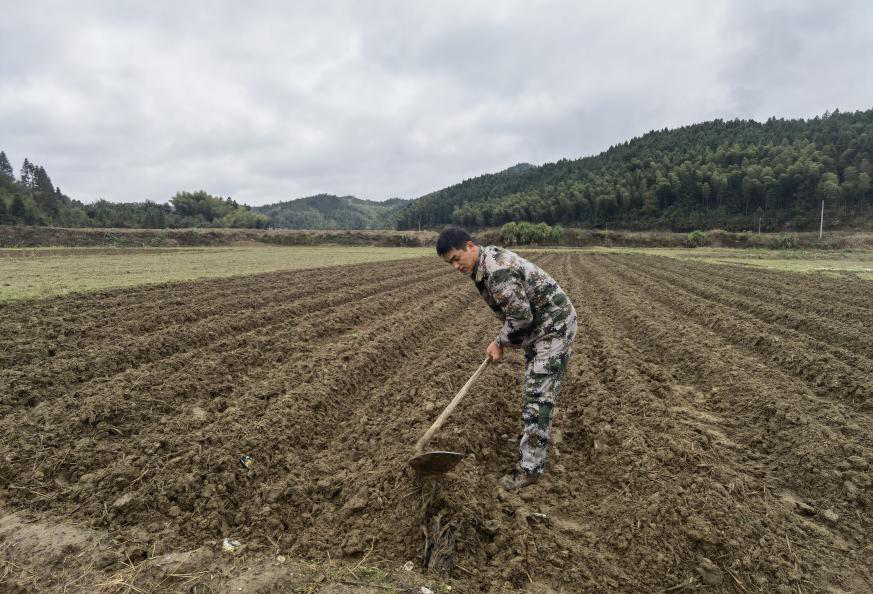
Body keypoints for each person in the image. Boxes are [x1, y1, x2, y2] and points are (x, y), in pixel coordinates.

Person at [436, 226, 577, 490]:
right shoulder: (482, 265)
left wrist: (500, 341)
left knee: (538, 396)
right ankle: (532, 442)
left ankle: (529, 469)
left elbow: (521, 318)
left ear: (470, 246)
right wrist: (501, 340)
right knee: (535, 390)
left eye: (456, 258)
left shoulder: (497, 270)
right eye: (449, 263)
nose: (455, 266)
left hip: (553, 327)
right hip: (540, 328)